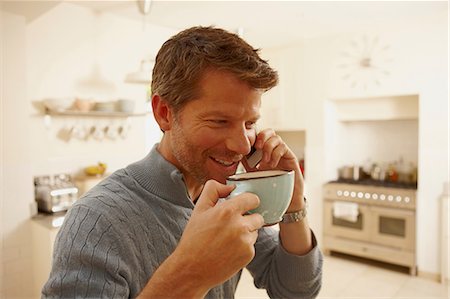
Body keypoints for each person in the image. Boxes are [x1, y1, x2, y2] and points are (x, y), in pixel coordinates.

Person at [43, 26, 322, 299]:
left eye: (250, 123)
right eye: (219, 121)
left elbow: (296, 291)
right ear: (164, 113)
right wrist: (192, 274)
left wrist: (293, 202)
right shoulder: (96, 220)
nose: (243, 144)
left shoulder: (230, 196)